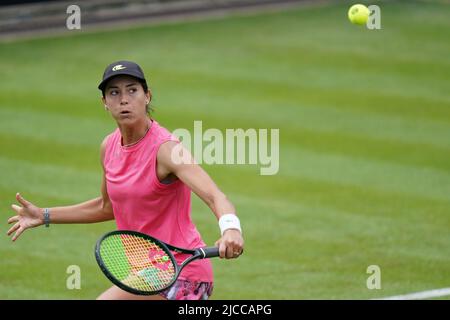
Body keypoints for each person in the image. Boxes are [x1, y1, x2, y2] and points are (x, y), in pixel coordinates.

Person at [6, 60, 244, 300]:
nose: (123, 99)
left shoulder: (168, 150)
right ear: (105, 103)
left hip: (181, 270)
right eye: (114, 93)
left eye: (132, 90)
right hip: (144, 271)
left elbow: (215, 196)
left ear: (147, 96)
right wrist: (44, 215)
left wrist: (231, 229)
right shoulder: (108, 147)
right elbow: (106, 207)